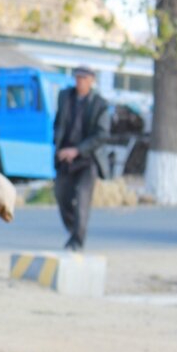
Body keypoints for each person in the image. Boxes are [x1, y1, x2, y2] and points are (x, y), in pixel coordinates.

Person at [53, 66, 109, 251]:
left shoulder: (100, 104)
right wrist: (60, 148)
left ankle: (77, 241)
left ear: (92, 80)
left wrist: (77, 150)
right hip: (65, 159)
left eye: (84, 78)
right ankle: (74, 231)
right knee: (62, 196)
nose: (80, 82)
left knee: (82, 199)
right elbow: (58, 124)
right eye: (77, 78)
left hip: (88, 159)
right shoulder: (65, 97)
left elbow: (101, 135)